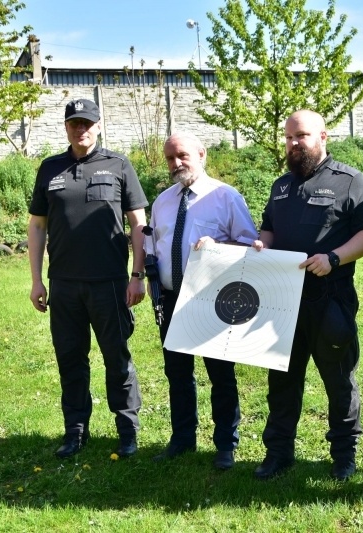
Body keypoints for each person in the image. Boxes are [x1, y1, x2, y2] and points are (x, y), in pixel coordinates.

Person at [251, 110, 363, 481]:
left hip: (330, 297)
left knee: (339, 380)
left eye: (302, 136)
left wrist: (335, 258)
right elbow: (270, 228)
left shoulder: (350, 181)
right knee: (282, 380)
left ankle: (344, 455)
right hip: (282, 299)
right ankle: (279, 452)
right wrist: (263, 242)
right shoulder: (281, 186)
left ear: (323, 137)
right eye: (289, 137)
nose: (294, 143)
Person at [28, 98, 148, 459]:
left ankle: (127, 431)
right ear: (66, 127)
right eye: (74, 124)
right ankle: (76, 431)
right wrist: (37, 280)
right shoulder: (50, 169)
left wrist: (137, 274)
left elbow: (138, 223)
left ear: (98, 125)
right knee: (70, 359)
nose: (81, 129)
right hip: (63, 285)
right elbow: (37, 226)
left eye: (87, 123)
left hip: (109, 283)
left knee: (117, 359)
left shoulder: (119, 165)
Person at [146, 132, 258, 470]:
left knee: (220, 374)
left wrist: (219, 248)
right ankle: (182, 439)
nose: (175, 163)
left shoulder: (225, 196)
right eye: (169, 158)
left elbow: (252, 245)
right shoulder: (162, 201)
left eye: (182, 155)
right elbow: (155, 245)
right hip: (170, 299)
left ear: (201, 154)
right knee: (177, 374)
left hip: (212, 299)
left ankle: (226, 444)